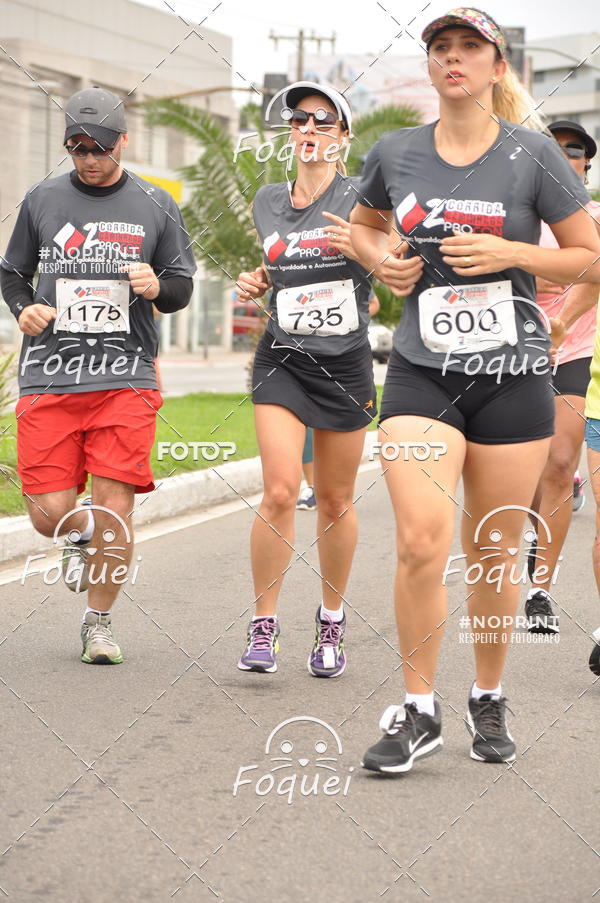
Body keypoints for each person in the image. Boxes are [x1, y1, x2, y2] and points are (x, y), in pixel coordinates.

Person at [349, 8, 600, 773]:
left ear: (497, 66)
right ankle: (418, 708)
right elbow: (364, 227)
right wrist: (382, 262)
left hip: (515, 375)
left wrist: (510, 250)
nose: (453, 58)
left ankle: (486, 694)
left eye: (469, 47)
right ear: (430, 68)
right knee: (423, 536)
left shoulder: (532, 154)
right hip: (424, 371)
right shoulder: (396, 151)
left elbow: (588, 256)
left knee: (493, 551)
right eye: (440, 47)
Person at [0, 87, 195, 664]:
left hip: (125, 377)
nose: (88, 158)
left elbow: (181, 286)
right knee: (47, 516)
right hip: (51, 377)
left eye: (100, 148)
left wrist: (158, 287)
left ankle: (100, 623)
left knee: (115, 507)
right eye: (77, 148)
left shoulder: (155, 204)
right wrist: (22, 308)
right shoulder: (42, 199)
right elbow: (12, 273)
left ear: (122, 142)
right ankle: (75, 534)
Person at [236, 81, 376, 678]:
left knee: (337, 500)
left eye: (324, 121)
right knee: (279, 490)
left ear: (343, 138)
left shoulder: (365, 197)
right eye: (300, 120)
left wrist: (364, 247)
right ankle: (264, 624)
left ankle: (331, 622)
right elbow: (280, 264)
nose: (310, 129)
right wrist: (258, 280)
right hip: (283, 358)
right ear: (290, 133)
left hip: (343, 363)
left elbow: (398, 266)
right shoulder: (268, 200)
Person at [526, 121, 600, 633]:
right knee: (523, 468)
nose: (564, 156)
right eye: (554, 148)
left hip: (573, 346)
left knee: (556, 463)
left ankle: (538, 590)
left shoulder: (594, 217)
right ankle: (531, 533)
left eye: (575, 152)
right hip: (512, 345)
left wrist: (562, 321)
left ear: (586, 167)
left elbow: (592, 276)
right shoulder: (518, 212)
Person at [295, 293, 380, 512]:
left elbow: (373, 303)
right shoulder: (290, 267)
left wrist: (345, 319)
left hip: (341, 358)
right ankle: (312, 486)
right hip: (297, 358)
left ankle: (333, 492)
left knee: (330, 426)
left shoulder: (346, 267)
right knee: (304, 427)